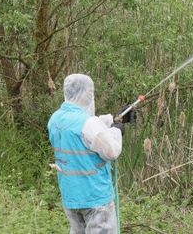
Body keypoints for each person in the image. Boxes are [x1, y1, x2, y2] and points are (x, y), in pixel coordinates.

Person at [47, 73, 132, 234]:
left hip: (71, 197)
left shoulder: (56, 119)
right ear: (87, 93)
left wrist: (113, 119)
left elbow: (83, 130)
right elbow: (111, 151)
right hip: (95, 198)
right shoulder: (88, 124)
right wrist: (116, 130)